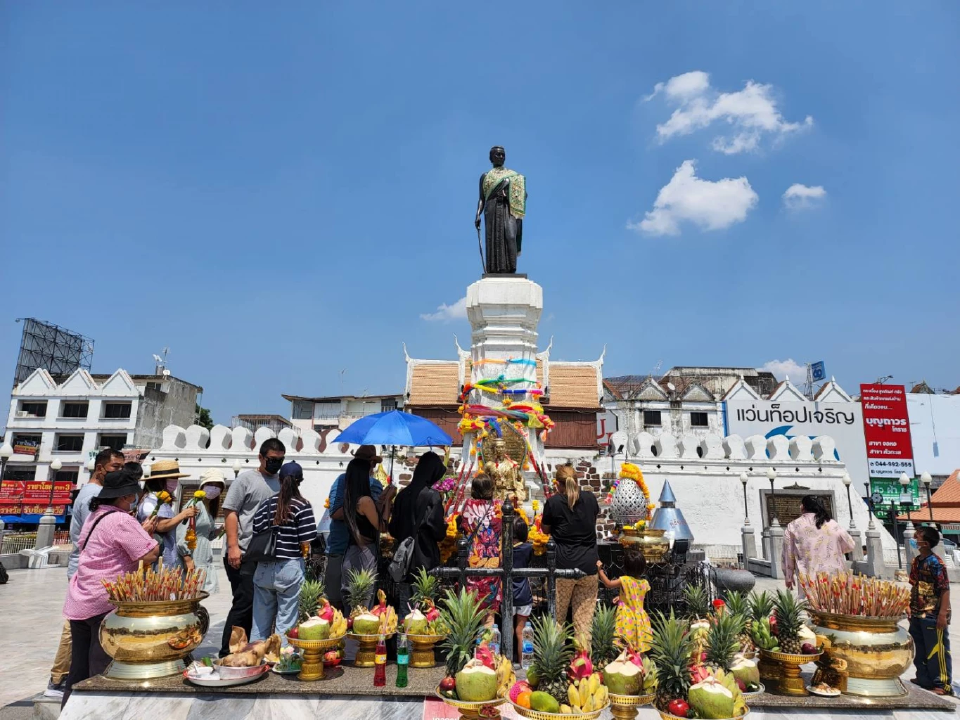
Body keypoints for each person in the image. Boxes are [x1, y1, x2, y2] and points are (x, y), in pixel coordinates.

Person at [62, 470, 159, 706]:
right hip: (107, 599)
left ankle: (70, 711)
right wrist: (147, 535)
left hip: (83, 597)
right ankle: (98, 711)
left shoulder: (95, 516)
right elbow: (150, 553)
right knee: (102, 668)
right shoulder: (121, 519)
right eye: (133, 495)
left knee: (79, 669)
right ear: (125, 497)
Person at [45, 448, 124, 700]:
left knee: (79, 628)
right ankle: (59, 678)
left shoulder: (92, 493)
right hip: (90, 570)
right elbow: (100, 536)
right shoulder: (94, 494)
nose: (119, 473)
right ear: (100, 468)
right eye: (115, 468)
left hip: (87, 569)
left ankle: (67, 679)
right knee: (79, 630)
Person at [220, 438, 285, 657]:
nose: (276, 463)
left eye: (280, 460)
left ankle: (249, 651)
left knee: (261, 605)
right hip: (243, 552)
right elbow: (230, 512)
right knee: (244, 602)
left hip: (266, 555)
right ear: (261, 457)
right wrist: (233, 547)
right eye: (272, 459)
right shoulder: (246, 480)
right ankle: (227, 652)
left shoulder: (280, 482)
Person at [251, 462, 317, 643]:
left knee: (259, 622)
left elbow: (256, 530)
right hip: (289, 566)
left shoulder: (266, 504)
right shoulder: (302, 505)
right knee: (286, 620)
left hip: (264, 567)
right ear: (300, 481)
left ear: (280, 480)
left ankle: (256, 658)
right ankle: (282, 660)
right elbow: (306, 539)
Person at [542, 463, 600, 646]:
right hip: (589, 566)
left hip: (563, 566)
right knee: (583, 623)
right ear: (577, 480)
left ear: (558, 484)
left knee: (557, 619)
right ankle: (583, 667)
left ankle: (555, 662)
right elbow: (592, 521)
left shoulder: (553, 502)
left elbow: (545, 530)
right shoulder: (590, 499)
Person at [388, 451, 447, 617]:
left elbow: (393, 529)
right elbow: (437, 532)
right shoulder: (432, 496)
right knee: (426, 610)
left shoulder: (402, 495)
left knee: (405, 609)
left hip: (404, 561)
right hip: (425, 560)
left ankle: (404, 642)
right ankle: (421, 643)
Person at [327, 445, 384, 610]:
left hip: (352, 547)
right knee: (350, 601)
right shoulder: (343, 482)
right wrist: (359, 510)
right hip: (347, 546)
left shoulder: (373, 485)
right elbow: (335, 512)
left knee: (347, 601)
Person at [340, 457, 395, 608]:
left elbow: (367, 515)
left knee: (350, 605)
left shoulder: (350, 498)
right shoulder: (365, 501)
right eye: (370, 470)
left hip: (351, 553)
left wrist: (382, 499)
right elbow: (382, 527)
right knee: (364, 605)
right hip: (364, 555)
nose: (372, 472)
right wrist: (389, 501)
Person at [908, 526, 953, 695]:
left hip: (933, 613)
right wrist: (909, 605)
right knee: (920, 648)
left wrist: (942, 614)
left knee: (937, 649)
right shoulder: (917, 561)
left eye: (916, 537)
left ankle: (941, 683)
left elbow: (944, 589)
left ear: (925, 543)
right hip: (917, 611)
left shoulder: (936, 563)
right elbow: (913, 585)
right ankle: (923, 678)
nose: (914, 539)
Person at [781, 495, 855, 591]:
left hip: (809, 576)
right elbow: (850, 545)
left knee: (811, 603)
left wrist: (789, 576)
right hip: (835, 576)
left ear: (802, 507)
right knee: (835, 603)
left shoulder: (794, 526)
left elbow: (788, 553)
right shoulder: (833, 524)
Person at [475, 145, 527, 274]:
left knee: (510, 236)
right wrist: (477, 214)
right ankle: (494, 269)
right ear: (491, 158)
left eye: (503, 154)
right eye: (498, 154)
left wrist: (509, 195)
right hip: (491, 209)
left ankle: (511, 268)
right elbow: (481, 198)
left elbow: (524, 194)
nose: (501, 157)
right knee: (493, 240)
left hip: (507, 209)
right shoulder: (485, 176)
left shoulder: (513, 176)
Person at [459, 474, 502, 626]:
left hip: (474, 559)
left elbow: (462, 526)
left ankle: (470, 646)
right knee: (490, 608)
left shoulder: (468, 505)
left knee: (472, 604)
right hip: (492, 559)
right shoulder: (498, 506)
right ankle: (488, 647)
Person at [138, 460, 197, 570]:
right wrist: (183, 515)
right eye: (172, 479)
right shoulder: (150, 501)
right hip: (155, 561)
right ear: (160, 481)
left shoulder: (161, 500)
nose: (175, 482)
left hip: (167, 559)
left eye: (176, 479)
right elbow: (160, 526)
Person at [177, 468, 225, 594]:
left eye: (217, 486)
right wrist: (187, 559)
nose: (214, 488)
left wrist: (219, 531)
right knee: (191, 591)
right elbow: (183, 532)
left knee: (199, 592)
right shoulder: (195, 504)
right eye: (211, 484)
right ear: (203, 485)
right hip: (193, 554)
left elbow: (207, 535)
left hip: (203, 554)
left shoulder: (208, 507)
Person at [597, 550, 652, 653]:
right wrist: (621, 597)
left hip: (626, 618)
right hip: (640, 619)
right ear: (643, 567)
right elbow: (635, 595)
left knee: (624, 648)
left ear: (626, 566)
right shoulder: (645, 583)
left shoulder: (625, 580)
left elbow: (608, 584)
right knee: (637, 648)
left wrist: (600, 570)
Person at [511, 517, 533, 664]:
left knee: (508, 630)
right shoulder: (528, 548)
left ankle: (506, 660)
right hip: (524, 593)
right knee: (521, 631)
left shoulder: (504, 550)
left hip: (508, 593)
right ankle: (523, 662)